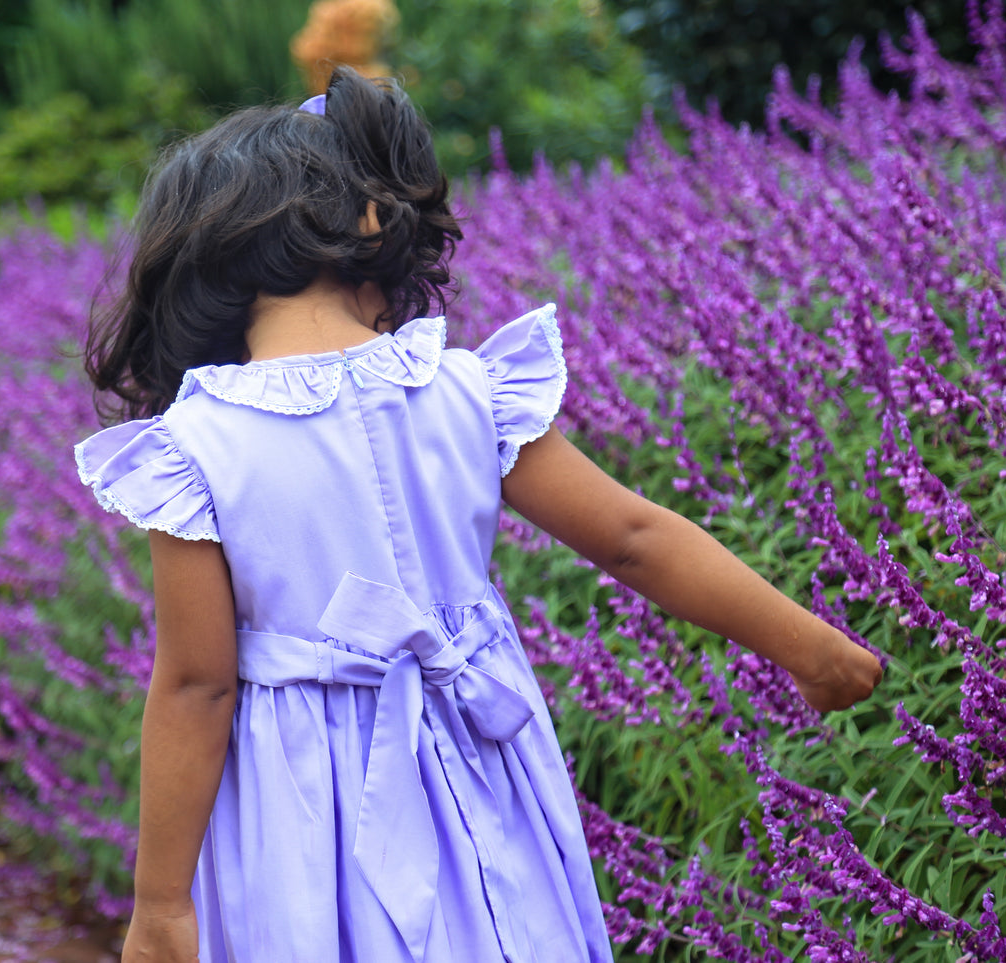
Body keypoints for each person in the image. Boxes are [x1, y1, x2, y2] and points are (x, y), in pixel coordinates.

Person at [75, 66, 882, 963]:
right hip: (479, 754)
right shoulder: (466, 389)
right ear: (373, 223)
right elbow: (635, 538)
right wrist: (813, 649)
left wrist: (160, 903)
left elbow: (199, 684)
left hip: (303, 800)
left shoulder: (195, 449)